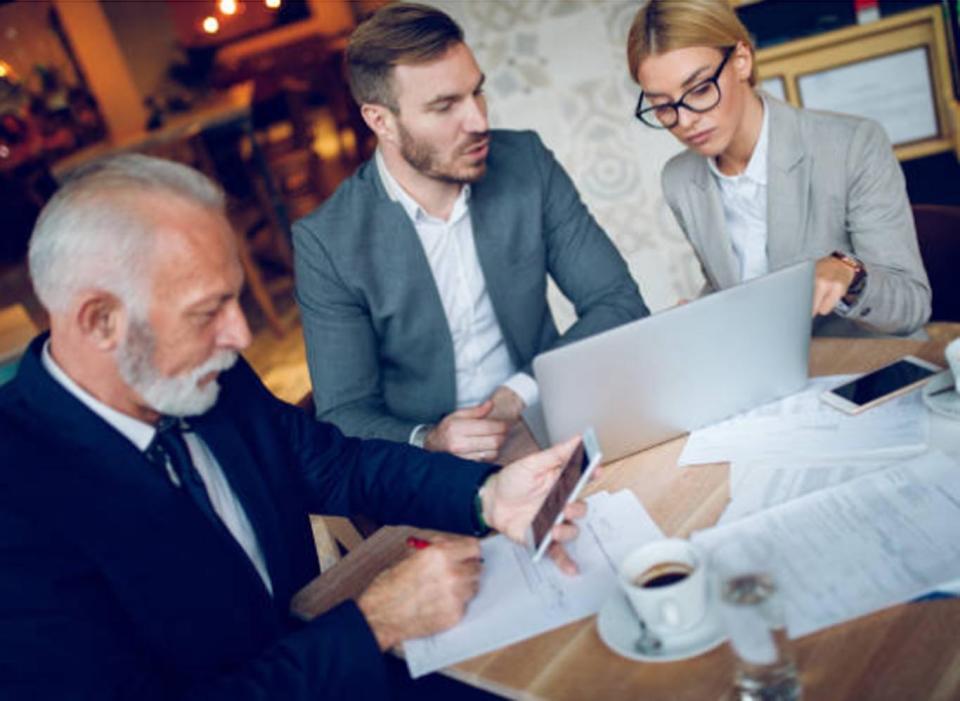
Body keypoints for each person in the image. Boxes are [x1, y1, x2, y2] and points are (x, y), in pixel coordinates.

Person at [0, 154, 589, 700]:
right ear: (101, 321)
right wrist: (375, 622)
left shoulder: (208, 377)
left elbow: (335, 464)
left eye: (235, 300)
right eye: (208, 312)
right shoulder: (18, 505)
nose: (240, 335)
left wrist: (487, 495)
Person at [294, 2, 649, 461]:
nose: (479, 121)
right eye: (445, 107)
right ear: (380, 120)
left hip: (549, 422)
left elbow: (618, 303)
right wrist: (430, 439)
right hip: (433, 473)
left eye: (476, 93)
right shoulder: (327, 242)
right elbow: (345, 414)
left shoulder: (526, 163)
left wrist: (518, 393)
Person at [627, 0, 931, 337]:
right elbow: (732, 285)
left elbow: (911, 306)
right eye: (662, 106)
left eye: (699, 90)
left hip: (867, 366)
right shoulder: (679, 180)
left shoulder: (853, 145)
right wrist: (700, 316)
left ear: (741, 60)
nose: (684, 121)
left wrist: (849, 275)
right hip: (773, 374)